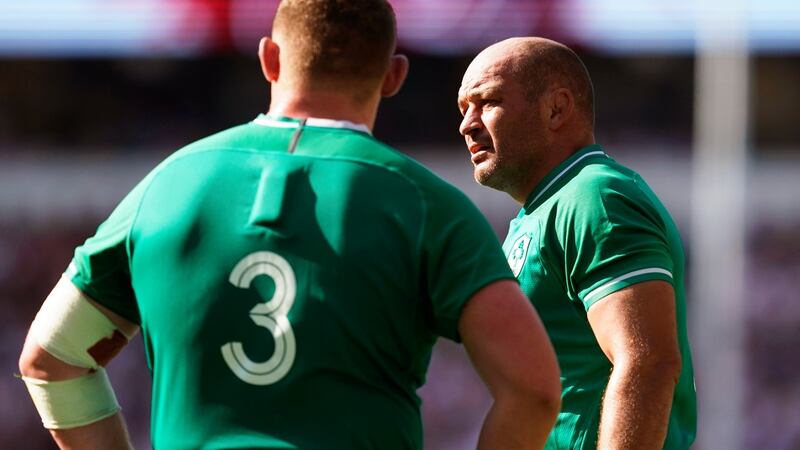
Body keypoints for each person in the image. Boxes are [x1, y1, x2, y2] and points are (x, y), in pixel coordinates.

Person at [18, 2, 562, 450]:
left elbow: (51, 359)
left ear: (269, 59)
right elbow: (534, 390)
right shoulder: (428, 205)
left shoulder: (165, 186)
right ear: (394, 75)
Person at [457, 37, 697, 449]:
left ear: (556, 108)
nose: (468, 124)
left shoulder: (594, 198)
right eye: (464, 109)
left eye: (488, 102)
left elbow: (647, 362)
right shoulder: (544, 209)